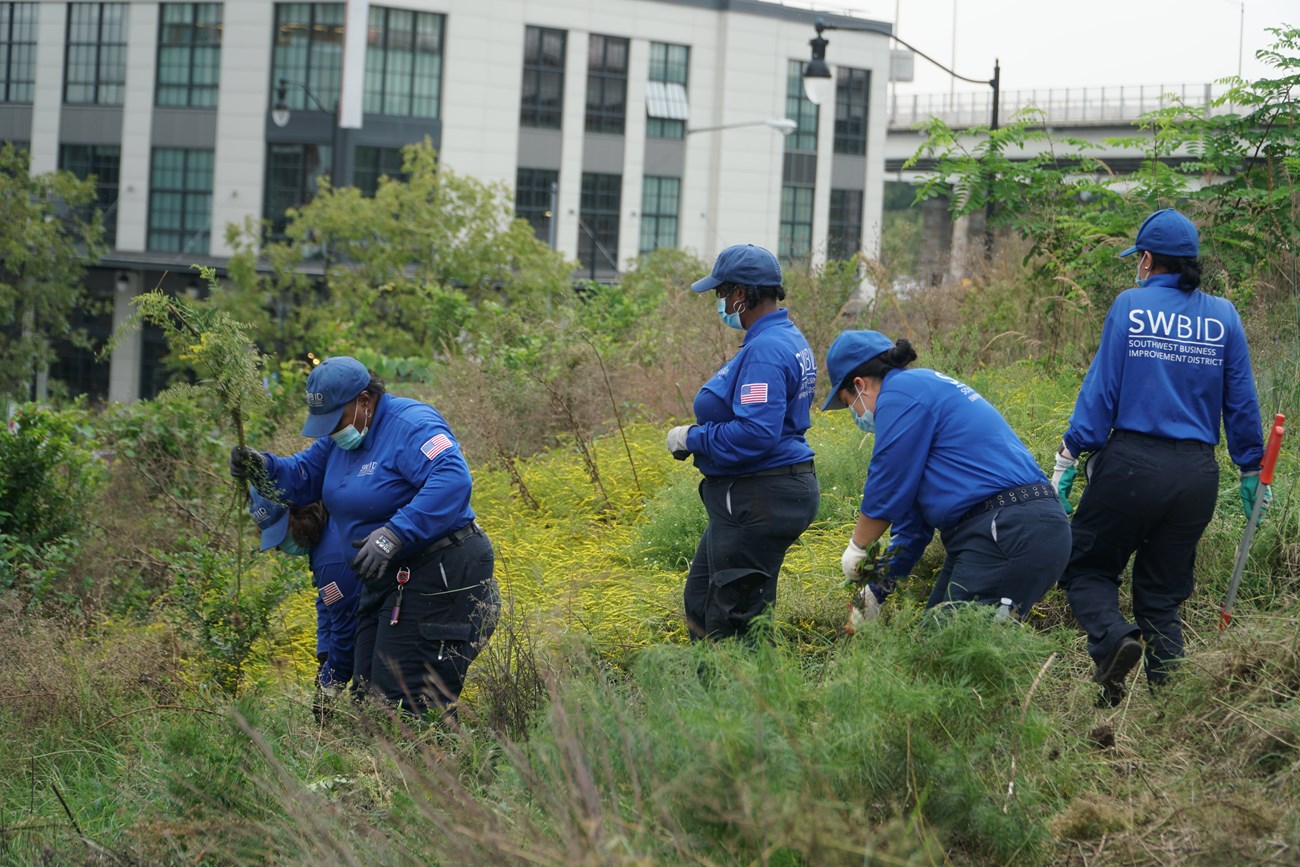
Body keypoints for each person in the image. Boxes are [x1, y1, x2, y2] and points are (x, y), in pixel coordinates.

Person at [1052, 208, 1267, 706]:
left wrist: (1071, 451)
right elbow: (1241, 401)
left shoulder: (1131, 306)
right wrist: (1251, 466)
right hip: (1196, 477)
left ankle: (1113, 639)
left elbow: (1101, 391)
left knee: (1085, 569)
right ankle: (1171, 710)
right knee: (1161, 599)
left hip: (1131, 465)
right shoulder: (1224, 316)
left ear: (1147, 259)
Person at [232, 356, 499, 717]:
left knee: (401, 702)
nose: (330, 432)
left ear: (364, 401)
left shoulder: (411, 425)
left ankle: (444, 768)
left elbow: (452, 479)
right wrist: (263, 468)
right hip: (388, 578)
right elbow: (300, 476)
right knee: (366, 698)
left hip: (441, 566)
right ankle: (388, 770)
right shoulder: (338, 445)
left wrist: (394, 533)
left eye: (335, 421)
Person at [824, 330, 1071, 621]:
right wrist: (875, 591)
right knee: (935, 643)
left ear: (859, 384)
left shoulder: (899, 395)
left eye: (848, 403)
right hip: (1012, 527)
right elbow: (912, 528)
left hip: (1007, 529)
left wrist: (858, 546)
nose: (854, 414)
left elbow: (886, 483)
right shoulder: (919, 389)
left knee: (949, 650)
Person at [665, 243, 820, 641]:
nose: (719, 303)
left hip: (758, 495)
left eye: (721, 293)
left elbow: (756, 433)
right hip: (763, 492)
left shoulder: (767, 350)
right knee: (702, 601)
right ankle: (712, 697)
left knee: (733, 624)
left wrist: (692, 438)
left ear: (739, 295)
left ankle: (736, 700)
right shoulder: (783, 338)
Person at [247, 488, 359, 708]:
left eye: (282, 534)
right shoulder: (326, 534)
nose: (279, 548)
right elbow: (327, 602)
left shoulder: (332, 557)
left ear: (298, 516)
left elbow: (346, 627)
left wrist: (329, 684)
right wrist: (324, 655)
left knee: (372, 694)